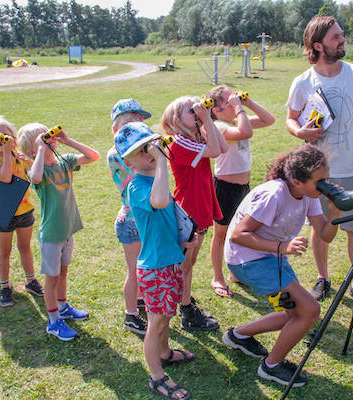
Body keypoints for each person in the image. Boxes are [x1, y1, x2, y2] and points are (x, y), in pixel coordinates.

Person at [222, 144, 340, 387]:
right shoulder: (273, 194)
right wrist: (282, 247)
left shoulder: (309, 195)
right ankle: (271, 366)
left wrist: (336, 210)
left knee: (296, 313)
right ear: (297, 181)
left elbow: (325, 236)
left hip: (269, 257)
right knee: (309, 311)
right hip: (247, 259)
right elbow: (238, 235)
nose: (325, 185)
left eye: (326, 179)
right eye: (320, 180)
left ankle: (239, 335)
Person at [285, 16, 353, 310]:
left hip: (351, 168)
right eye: (336, 37)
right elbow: (290, 118)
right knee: (320, 226)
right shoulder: (303, 81)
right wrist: (299, 131)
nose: (343, 40)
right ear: (318, 45)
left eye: (342, 35)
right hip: (316, 172)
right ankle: (322, 278)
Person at [115, 122, 198, 400]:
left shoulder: (154, 179)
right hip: (155, 267)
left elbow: (165, 215)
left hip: (170, 258)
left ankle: (165, 352)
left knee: (166, 316)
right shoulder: (136, 187)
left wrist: (183, 239)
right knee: (156, 322)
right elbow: (160, 201)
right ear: (127, 161)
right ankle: (156, 375)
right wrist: (162, 159)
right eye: (140, 151)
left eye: (150, 145)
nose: (149, 153)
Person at [18, 123, 100, 341]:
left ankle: (63, 307)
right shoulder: (38, 170)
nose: (50, 141)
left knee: (63, 272)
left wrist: (68, 140)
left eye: (49, 138)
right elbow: (34, 178)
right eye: (44, 141)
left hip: (67, 230)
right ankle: (53, 322)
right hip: (51, 235)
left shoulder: (64, 163)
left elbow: (93, 156)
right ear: (33, 152)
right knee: (52, 279)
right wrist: (41, 148)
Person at [160, 96, 228, 331]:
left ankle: (184, 300)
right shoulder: (180, 142)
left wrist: (206, 120)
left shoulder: (194, 136)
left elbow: (223, 146)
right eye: (192, 110)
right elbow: (217, 151)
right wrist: (207, 119)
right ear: (176, 120)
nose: (197, 111)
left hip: (199, 205)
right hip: (190, 208)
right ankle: (185, 309)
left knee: (189, 261)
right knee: (184, 263)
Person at [207, 86, 275, 297]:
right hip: (226, 188)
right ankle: (217, 277)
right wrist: (239, 108)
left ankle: (235, 272)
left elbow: (268, 120)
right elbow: (246, 132)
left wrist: (247, 103)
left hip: (243, 188)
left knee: (241, 231)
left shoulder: (237, 119)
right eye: (229, 100)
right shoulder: (218, 126)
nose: (235, 101)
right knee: (221, 234)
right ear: (217, 109)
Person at [0, 117, 43, 306]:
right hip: (3, 212)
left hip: (24, 210)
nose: (3, 140)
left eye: (7, 136)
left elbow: (35, 175)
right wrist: (8, 153)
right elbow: (6, 177)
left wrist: (30, 160)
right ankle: (5, 285)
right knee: (4, 251)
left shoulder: (20, 156)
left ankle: (31, 280)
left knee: (25, 247)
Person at [107, 99, 152, 334]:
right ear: (115, 130)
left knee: (142, 267)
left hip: (141, 217)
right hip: (131, 220)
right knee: (134, 270)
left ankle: (140, 300)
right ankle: (131, 314)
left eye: (140, 120)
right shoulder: (117, 154)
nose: (137, 125)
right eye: (130, 122)